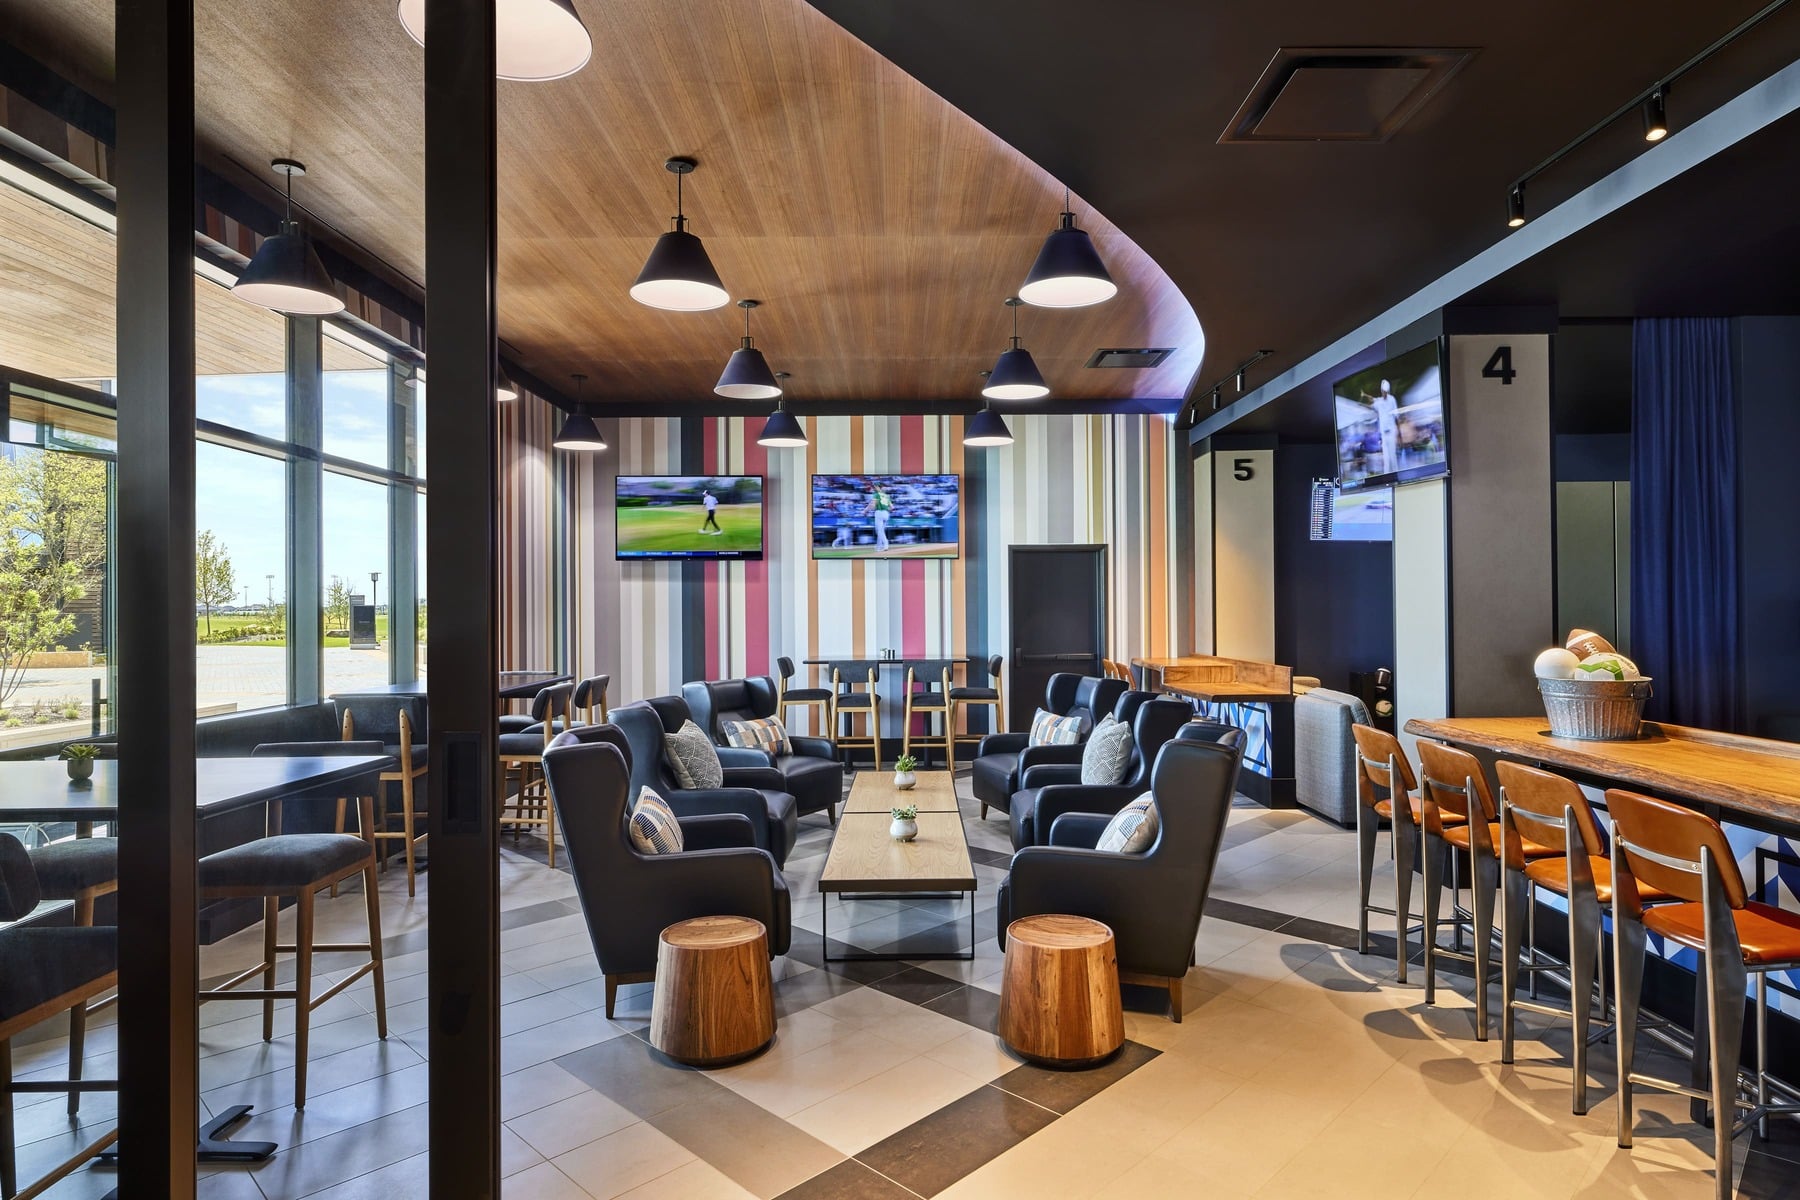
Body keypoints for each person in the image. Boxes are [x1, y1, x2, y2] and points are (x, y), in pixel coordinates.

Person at [1371, 379, 1400, 475]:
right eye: (1383, 391)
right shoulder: (1378, 401)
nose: (1384, 393)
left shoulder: (1392, 399)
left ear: (1387, 391)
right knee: (1386, 457)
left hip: (1391, 431)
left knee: (1393, 455)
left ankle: (1396, 474)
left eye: (1385, 392)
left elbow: (1396, 416)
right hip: (1383, 433)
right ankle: (1386, 476)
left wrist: (1399, 432)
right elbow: (1371, 405)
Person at [869, 484, 892, 552]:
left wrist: (870, 508)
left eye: (876, 487)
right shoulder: (887, 496)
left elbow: (873, 505)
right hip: (886, 514)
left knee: (879, 531)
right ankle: (878, 547)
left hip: (879, 513)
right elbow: (892, 507)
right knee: (881, 531)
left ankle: (885, 543)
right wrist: (885, 508)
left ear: (879, 488)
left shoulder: (876, 494)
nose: (875, 488)